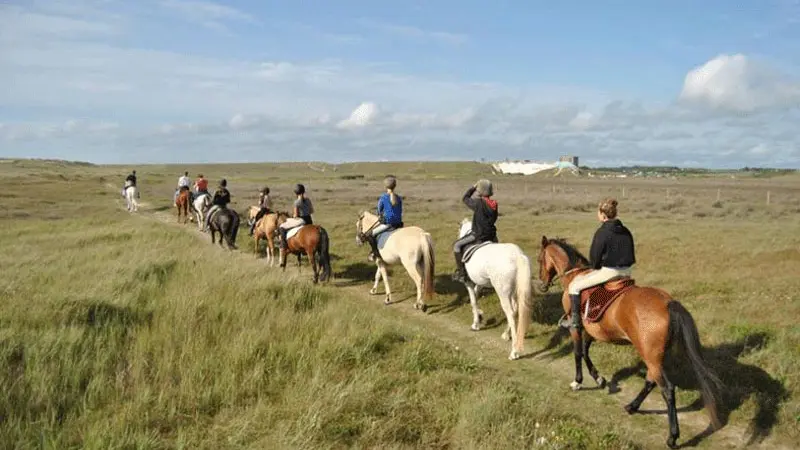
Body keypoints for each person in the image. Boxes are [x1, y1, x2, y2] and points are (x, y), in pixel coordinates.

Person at [560, 198, 636, 329]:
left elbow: (594, 259)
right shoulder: (626, 230)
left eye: (598, 212)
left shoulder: (602, 232)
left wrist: (595, 267)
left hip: (609, 273)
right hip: (627, 272)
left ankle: (575, 321)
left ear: (603, 214)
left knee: (574, 287)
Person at [452, 179, 498, 284]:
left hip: (478, 235)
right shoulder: (494, 204)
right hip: (491, 235)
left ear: (480, 191)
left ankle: (462, 274)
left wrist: (473, 188)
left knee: (456, 246)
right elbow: (494, 219)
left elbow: (465, 198)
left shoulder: (478, 204)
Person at [361, 175, 403, 261]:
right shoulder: (398, 198)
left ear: (385, 186)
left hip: (388, 224)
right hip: (399, 223)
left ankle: (376, 253)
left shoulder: (383, 197)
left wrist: (381, 216)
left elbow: (379, 211)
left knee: (370, 234)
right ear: (395, 186)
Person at [278, 183, 314, 249]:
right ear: (303, 191)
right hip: (309, 220)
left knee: (282, 227)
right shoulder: (308, 200)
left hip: (301, 220)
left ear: (296, 193)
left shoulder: (296, 202)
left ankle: (283, 245)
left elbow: (296, 215)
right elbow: (312, 211)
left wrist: (292, 215)